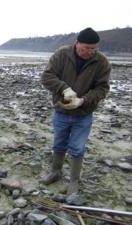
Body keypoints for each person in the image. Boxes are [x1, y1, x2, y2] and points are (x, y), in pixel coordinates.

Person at [40, 27, 111, 195]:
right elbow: (47, 77)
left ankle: (73, 181)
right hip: (61, 111)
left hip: (83, 114)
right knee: (58, 143)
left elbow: (102, 88)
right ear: (77, 43)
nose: (90, 52)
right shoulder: (62, 54)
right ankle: (56, 172)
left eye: (94, 48)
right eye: (86, 48)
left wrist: (83, 100)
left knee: (77, 148)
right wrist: (64, 89)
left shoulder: (102, 62)